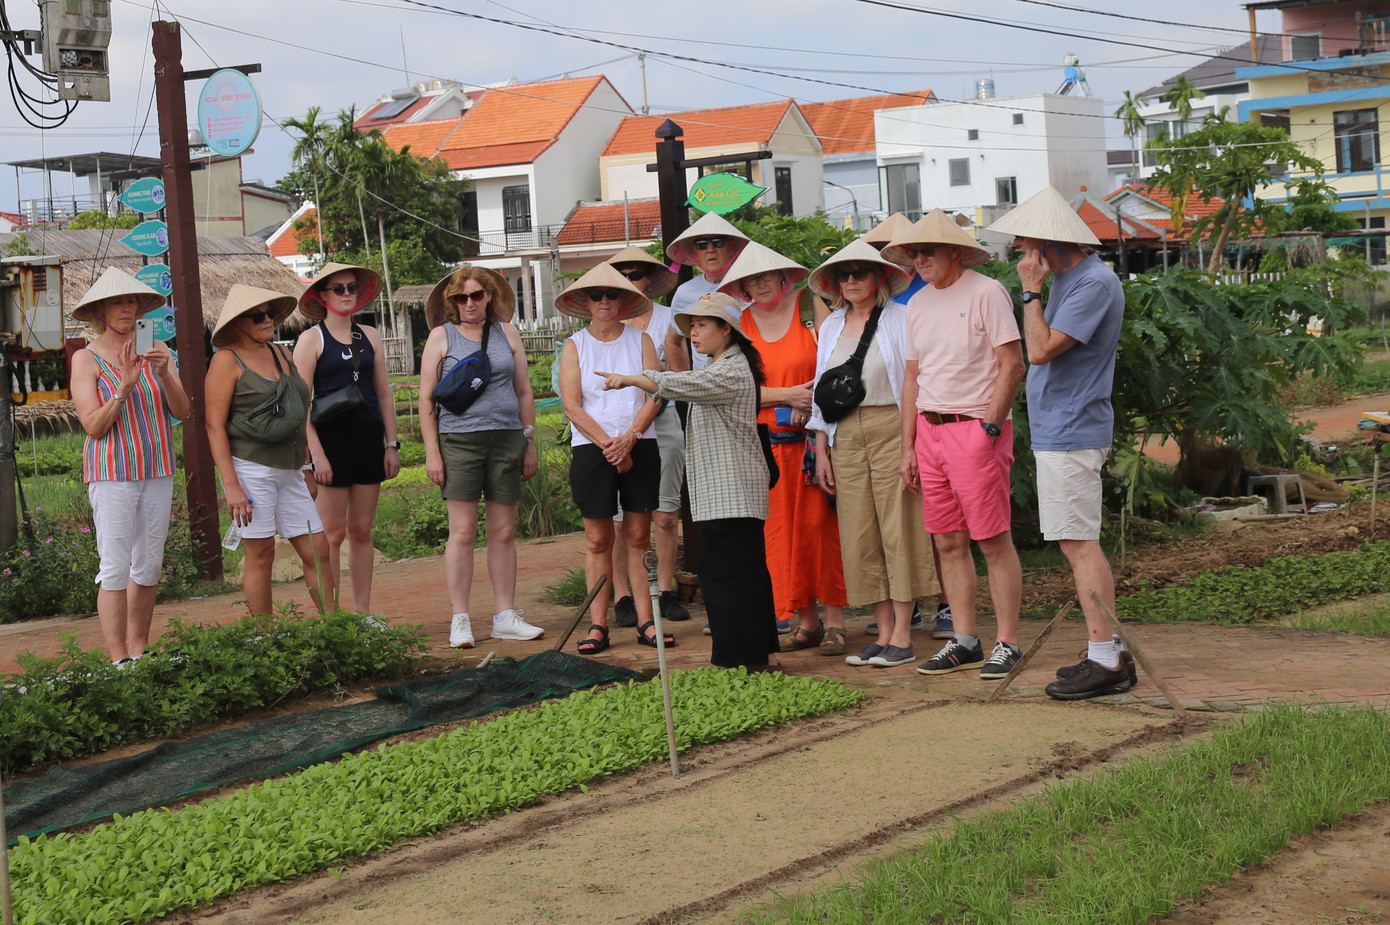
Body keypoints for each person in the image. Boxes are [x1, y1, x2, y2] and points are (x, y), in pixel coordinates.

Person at [987, 186, 1133, 700]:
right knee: (1076, 540)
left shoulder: (1091, 283)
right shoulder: (1072, 279)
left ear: (1048, 240)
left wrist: (1029, 291)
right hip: (1062, 427)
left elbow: (1042, 349)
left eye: (1024, 241)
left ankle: (1105, 658)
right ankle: (1107, 651)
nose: (1020, 253)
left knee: (1078, 542)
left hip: (1072, 429)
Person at [595, 292, 780, 670]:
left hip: (732, 493)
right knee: (739, 575)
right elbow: (689, 379)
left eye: (701, 326)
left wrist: (632, 378)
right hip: (725, 492)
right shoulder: (723, 365)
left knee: (728, 577)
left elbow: (683, 384)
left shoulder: (729, 369)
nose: (693, 334)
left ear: (726, 330)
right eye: (691, 326)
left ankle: (738, 661)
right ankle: (754, 656)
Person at [885, 209, 1025, 680]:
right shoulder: (917, 303)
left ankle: (1008, 641)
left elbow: (1013, 363)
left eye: (927, 250)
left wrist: (990, 426)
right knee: (946, 539)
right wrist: (908, 446)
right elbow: (912, 376)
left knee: (992, 538)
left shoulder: (987, 292)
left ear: (956, 252)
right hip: (930, 428)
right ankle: (964, 639)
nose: (919, 258)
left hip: (974, 427)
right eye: (913, 251)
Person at [806, 239, 939, 668]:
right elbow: (821, 392)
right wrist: (821, 447)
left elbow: (912, 383)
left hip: (891, 426)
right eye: (843, 275)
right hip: (844, 433)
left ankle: (903, 632)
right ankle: (882, 633)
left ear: (878, 276)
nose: (850, 281)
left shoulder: (901, 318)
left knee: (899, 527)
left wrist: (910, 446)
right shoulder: (830, 326)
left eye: (859, 273)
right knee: (859, 533)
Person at [717, 241, 847, 651]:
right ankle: (807, 623)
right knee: (779, 534)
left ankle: (838, 624)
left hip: (815, 443)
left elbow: (837, 364)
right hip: (764, 446)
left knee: (822, 531)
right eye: (751, 279)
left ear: (782, 276)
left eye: (766, 275)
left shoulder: (810, 308)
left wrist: (812, 405)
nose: (760, 284)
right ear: (742, 286)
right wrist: (786, 396)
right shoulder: (739, 325)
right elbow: (732, 387)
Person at [69, 268, 191, 666]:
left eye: (132, 302)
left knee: (150, 562)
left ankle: (140, 649)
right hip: (112, 473)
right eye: (117, 302)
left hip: (157, 468)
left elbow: (182, 410)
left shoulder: (157, 349)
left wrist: (162, 373)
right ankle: (118, 656)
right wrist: (122, 387)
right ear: (100, 311)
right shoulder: (86, 359)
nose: (126, 308)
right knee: (116, 564)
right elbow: (93, 425)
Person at [419, 266, 544, 648]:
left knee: (504, 531)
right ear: (451, 302)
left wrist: (529, 442)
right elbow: (426, 398)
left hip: (507, 438)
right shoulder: (442, 336)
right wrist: (432, 454)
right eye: (461, 297)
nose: (469, 303)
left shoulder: (507, 333)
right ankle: (460, 618)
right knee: (462, 531)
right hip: (459, 441)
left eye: (476, 295)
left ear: (489, 296)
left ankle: (505, 614)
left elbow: (523, 391)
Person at [556, 262, 671, 654]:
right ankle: (598, 624)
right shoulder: (575, 346)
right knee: (597, 538)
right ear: (584, 302)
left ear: (624, 300)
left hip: (640, 441)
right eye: (596, 295)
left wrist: (631, 437)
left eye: (612, 294)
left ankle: (646, 621)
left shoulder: (641, 341)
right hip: (593, 447)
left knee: (639, 535)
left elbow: (655, 393)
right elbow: (572, 406)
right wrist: (610, 445)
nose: (604, 301)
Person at [205, 284, 332, 616]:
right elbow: (214, 426)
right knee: (261, 553)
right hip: (250, 468)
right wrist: (232, 486)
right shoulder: (225, 361)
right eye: (259, 315)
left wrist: (305, 465)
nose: (268, 320)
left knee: (318, 549)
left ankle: (333, 627)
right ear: (237, 324)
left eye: (271, 313)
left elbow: (295, 414)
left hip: (290, 467)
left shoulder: (282, 353)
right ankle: (263, 636)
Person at [863, 212, 953, 639]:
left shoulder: (925, 289)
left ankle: (948, 603)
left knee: (936, 520)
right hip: (901, 410)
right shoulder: (891, 294)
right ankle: (912, 604)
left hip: (932, 409)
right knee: (903, 522)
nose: (906, 257)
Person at [293, 263, 400, 613]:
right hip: (330, 444)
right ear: (322, 296)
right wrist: (316, 456)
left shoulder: (369, 336)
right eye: (337, 289)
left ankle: (363, 613)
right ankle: (333, 619)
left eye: (351, 287)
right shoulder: (311, 339)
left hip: (369, 440)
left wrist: (391, 444)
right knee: (331, 535)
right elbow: (299, 405)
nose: (346, 294)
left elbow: (383, 393)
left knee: (362, 530)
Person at [603, 245, 689, 628]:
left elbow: (681, 374)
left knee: (665, 513)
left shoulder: (670, 319)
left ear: (651, 280)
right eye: (621, 276)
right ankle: (622, 595)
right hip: (616, 427)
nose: (629, 282)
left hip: (664, 420)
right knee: (620, 520)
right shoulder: (603, 321)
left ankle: (665, 589)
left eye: (637, 274)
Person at [663, 212, 750, 374]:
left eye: (718, 242)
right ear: (694, 253)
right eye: (701, 244)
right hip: (707, 390)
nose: (710, 250)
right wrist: (687, 386)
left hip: (750, 384)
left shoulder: (752, 284)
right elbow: (672, 341)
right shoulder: (685, 292)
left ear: (731, 248)